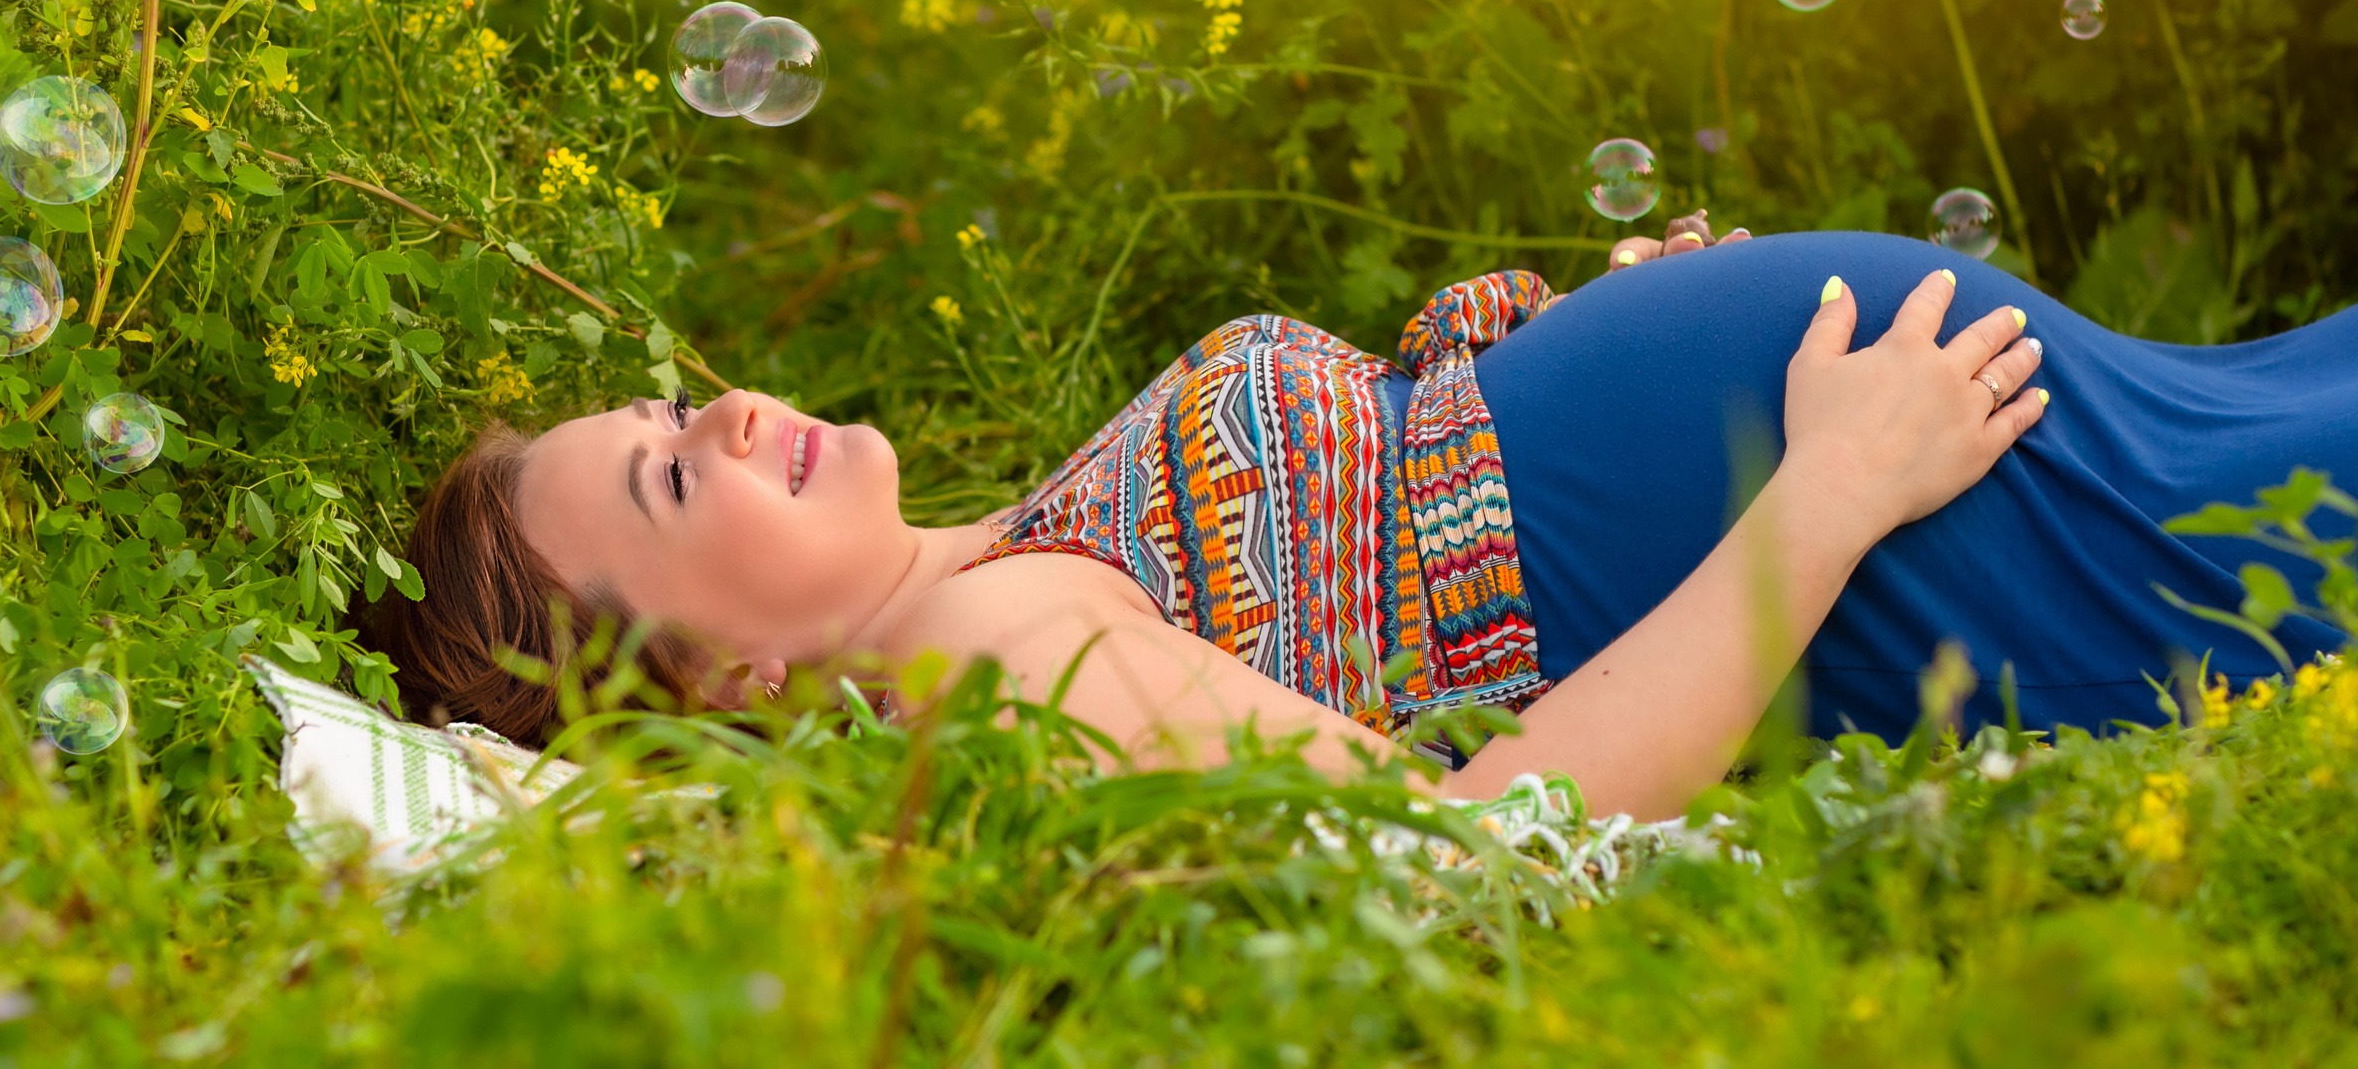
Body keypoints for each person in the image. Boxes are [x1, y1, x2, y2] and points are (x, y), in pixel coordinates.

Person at [364, 219, 2356, 819]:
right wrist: (1818, 488)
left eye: (660, 399)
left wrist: (1585, 323)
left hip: (1971, 436)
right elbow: (1476, 842)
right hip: (1954, 518)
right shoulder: (981, 656)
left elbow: (1406, 509)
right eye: (665, 470)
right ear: (716, 670)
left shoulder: (984, 557)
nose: (714, 404)